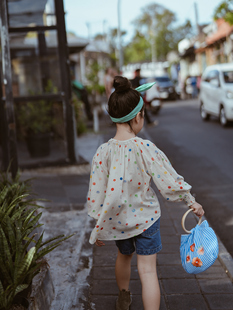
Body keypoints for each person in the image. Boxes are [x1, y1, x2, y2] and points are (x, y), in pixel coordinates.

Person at [87, 76, 204, 310]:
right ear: (137, 117)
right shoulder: (145, 148)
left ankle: (123, 296)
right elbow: (169, 179)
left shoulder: (103, 152)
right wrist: (191, 201)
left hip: (118, 219)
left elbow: (96, 191)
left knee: (124, 257)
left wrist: (97, 223)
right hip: (147, 219)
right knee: (148, 270)